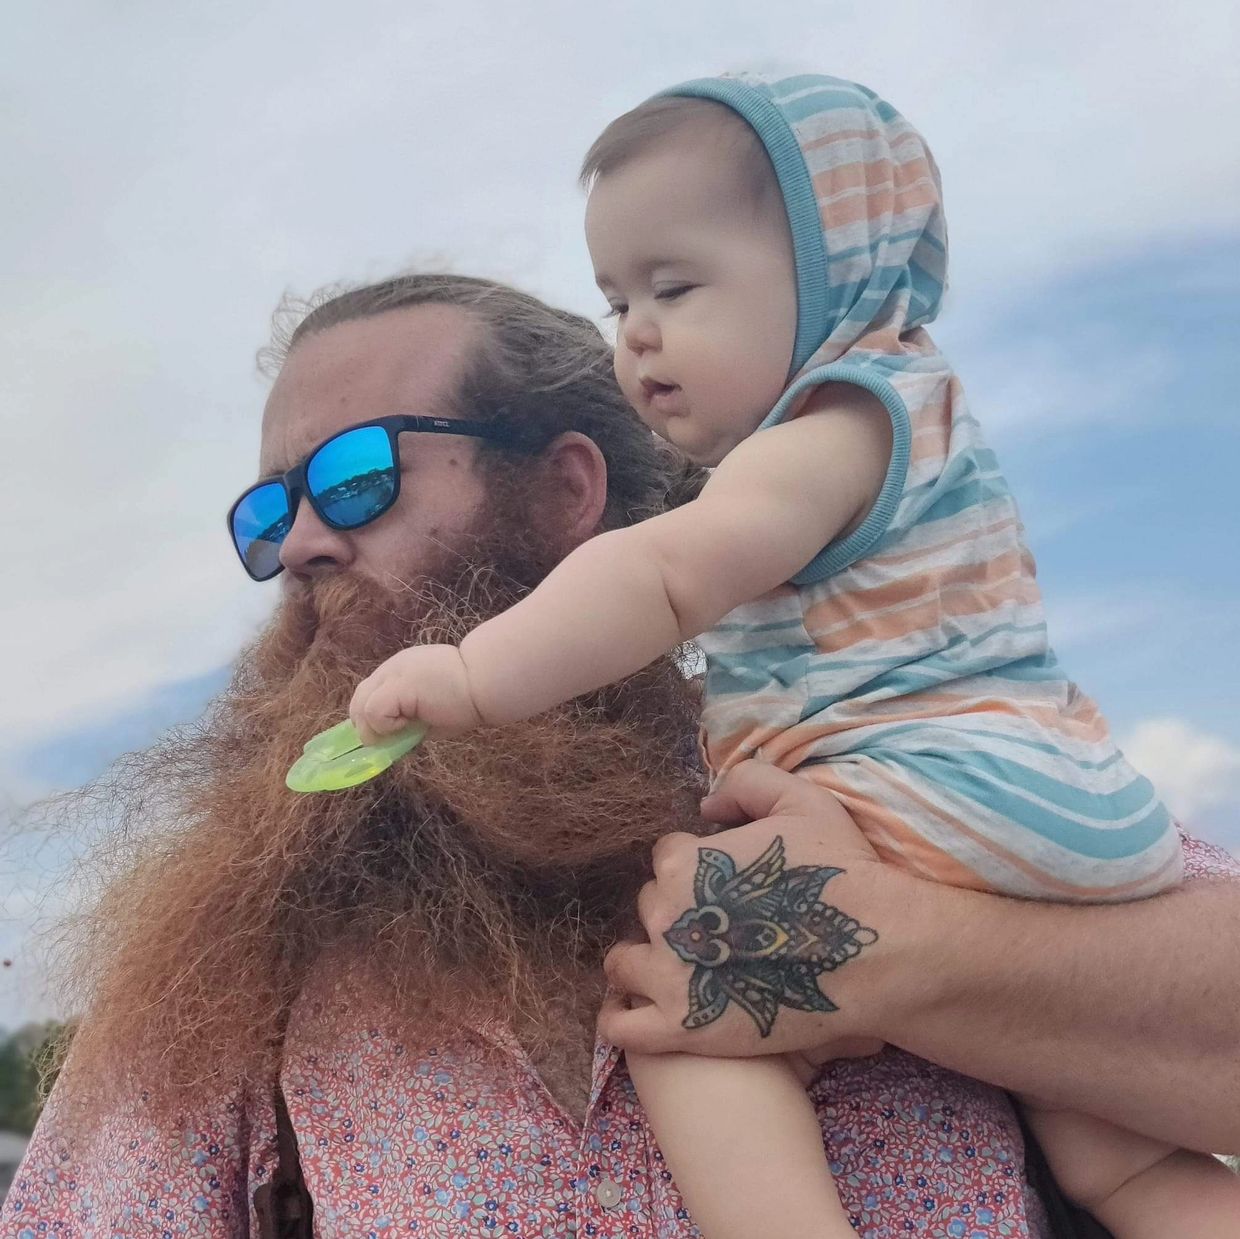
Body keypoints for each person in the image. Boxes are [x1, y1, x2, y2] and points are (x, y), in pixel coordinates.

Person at [3, 273, 1238, 1239]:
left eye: (356, 476)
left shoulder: (847, 762)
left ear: (566, 489)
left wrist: (909, 959)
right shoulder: (214, 967)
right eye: (268, 516)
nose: (306, 545)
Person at [344, 80, 1240, 1236]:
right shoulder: (919, 424)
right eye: (618, 303)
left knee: (687, 1028)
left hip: (918, 786)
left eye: (675, 287)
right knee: (1120, 1172)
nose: (640, 334)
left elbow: (665, 574)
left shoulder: (834, 424)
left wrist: (472, 677)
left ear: (837, 277)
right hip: (1056, 804)